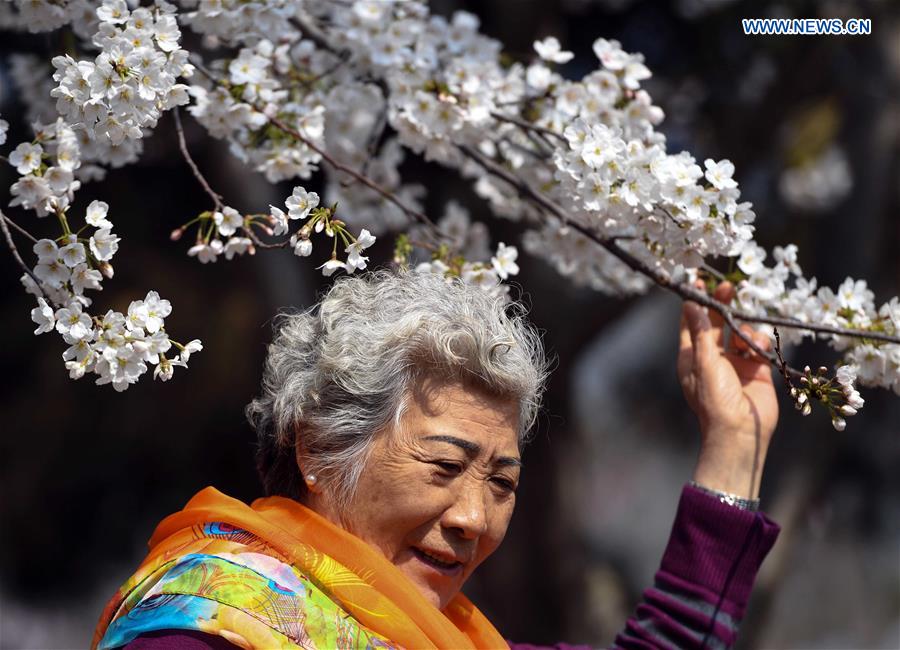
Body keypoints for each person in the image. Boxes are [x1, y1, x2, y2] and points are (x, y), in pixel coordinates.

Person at [92, 269, 780, 649]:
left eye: (503, 482)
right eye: (445, 467)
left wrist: (735, 443)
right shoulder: (209, 630)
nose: (474, 518)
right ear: (319, 447)